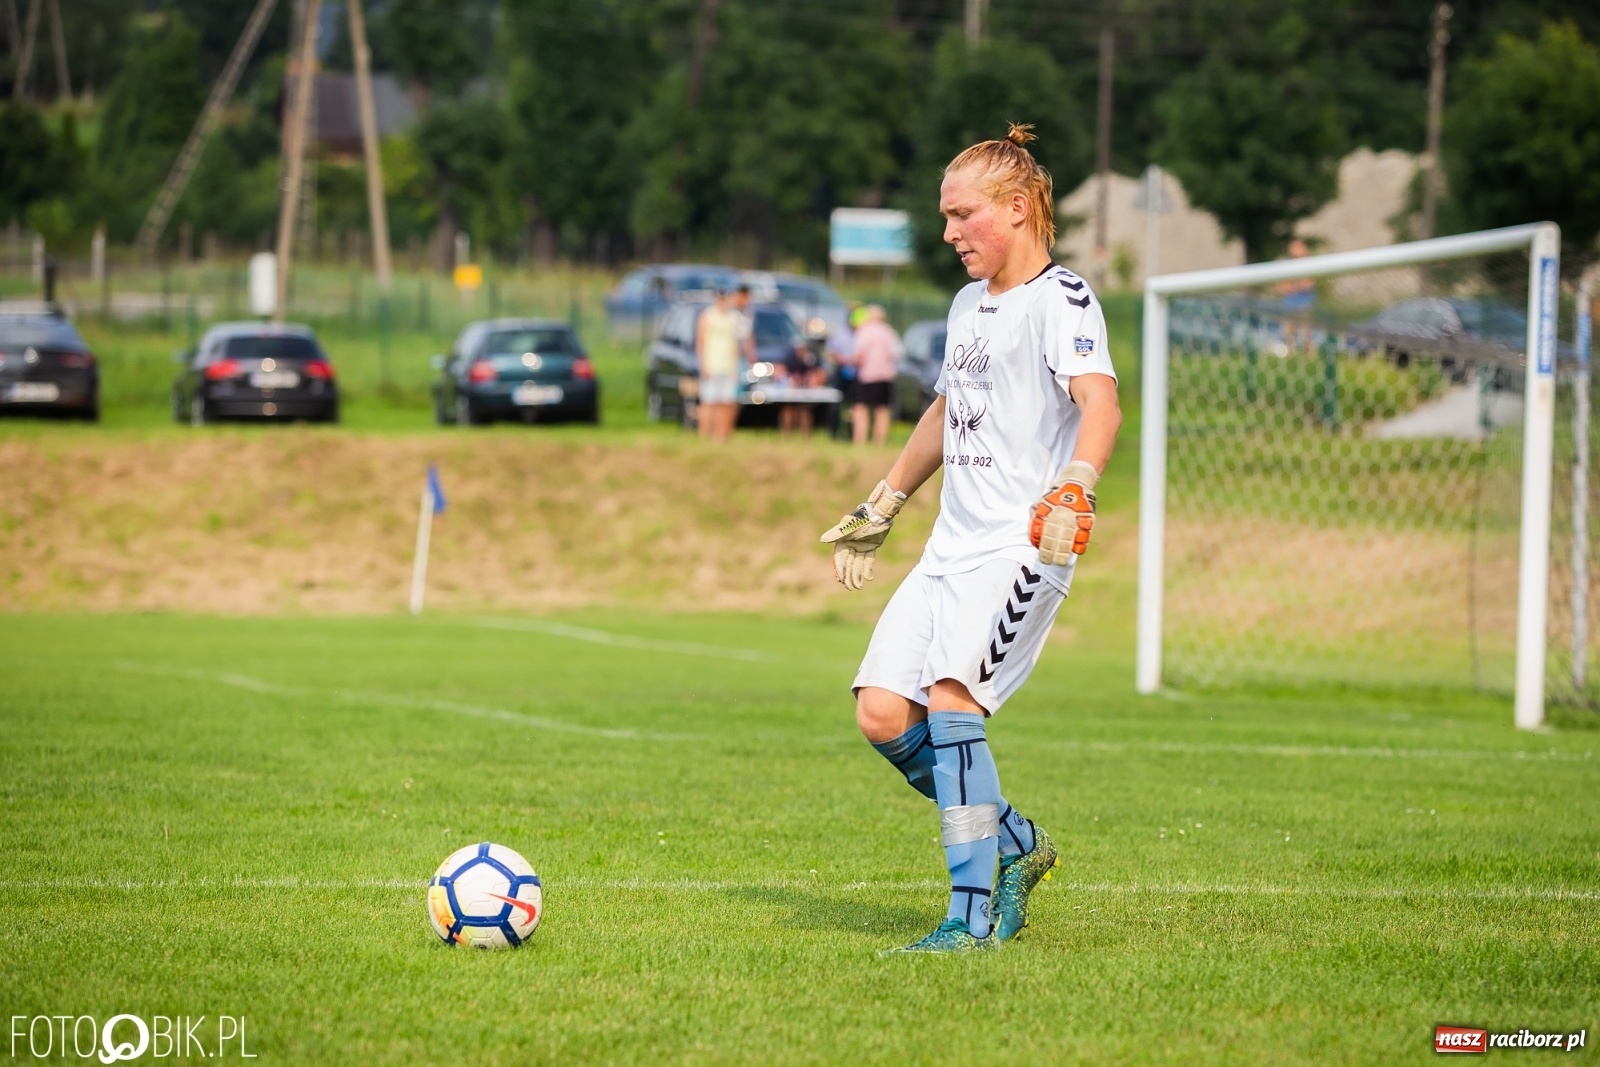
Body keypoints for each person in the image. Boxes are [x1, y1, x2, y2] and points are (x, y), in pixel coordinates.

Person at [819, 123, 1122, 954]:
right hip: (950, 548)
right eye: (945, 217)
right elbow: (948, 411)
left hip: (1022, 548)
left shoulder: (1062, 299)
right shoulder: (965, 306)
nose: (949, 232)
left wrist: (1077, 484)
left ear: (1018, 208)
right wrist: (884, 501)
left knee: (952, 705)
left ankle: (973, 915)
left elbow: (1102, 404)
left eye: (962, 214)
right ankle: (1017, 841)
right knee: (883, 712)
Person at [849, 305, 901, 446]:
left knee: (860, 408)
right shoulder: (889, 332)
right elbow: (897, 353)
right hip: (885, 375)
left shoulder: (864, 331)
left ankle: (860, 441)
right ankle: (879, 442)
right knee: (882, 409)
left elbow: (859, 354)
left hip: (867, 374)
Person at [695, 290, 742, 442]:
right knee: (709, 401)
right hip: (712, 364)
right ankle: (704, 434)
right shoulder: (707, 316)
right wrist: (703, 365)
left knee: (726, 401)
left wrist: (736, 366)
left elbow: (736, 343)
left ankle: (721, 435)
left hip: (728, 365)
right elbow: (700, 342)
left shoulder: (733, 317)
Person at [1277, 237, 1315, 354]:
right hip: (1290, 304)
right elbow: (1282, 286)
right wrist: (1294, 287)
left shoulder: (1309, 264)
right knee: (1289, 332)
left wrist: (1296, 286)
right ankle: (1291, 353)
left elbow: (1309, 283)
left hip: (1305, 303)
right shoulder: (1286, 265)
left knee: (1306, 331)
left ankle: (1308, 353)